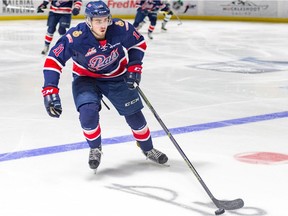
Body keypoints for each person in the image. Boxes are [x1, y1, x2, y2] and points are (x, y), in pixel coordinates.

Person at [41, 0, 168, 171]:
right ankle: (95, 147)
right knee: (87, 114)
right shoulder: (76, 37)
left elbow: (138, 43)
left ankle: (147, 149)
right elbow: (53, 60)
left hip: (116, 76)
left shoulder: (120, 27)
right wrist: (50, 88)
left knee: (135, 117)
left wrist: (134, 66)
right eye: (97, 20)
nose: (103, 25)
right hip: (85, 78)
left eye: (105, 19)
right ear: (88, 21)